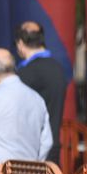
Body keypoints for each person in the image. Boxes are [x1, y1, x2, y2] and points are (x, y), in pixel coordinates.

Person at [15, 22, 67, 164]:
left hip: (30, 151)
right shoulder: (58, 68)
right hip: (53, 146)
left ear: (20, 44)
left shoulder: (25, 73)